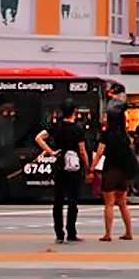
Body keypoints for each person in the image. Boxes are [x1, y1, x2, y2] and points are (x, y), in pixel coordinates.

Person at [36, 104, 90, 244]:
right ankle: (71, 232)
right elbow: (82, 150)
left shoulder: (57, 126)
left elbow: (39, 138)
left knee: (58, 200)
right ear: (74, 111)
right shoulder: (78, 128)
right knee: (73, 200)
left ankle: (59, 233)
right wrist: (88, 167)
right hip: (74, 167)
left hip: (60, 165)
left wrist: (51, 152)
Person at [96, 112, 138, 240]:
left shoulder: (106, 135)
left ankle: (108, 234)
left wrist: (92, 168)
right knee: (123, 204)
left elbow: (99, 153)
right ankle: (129, 232)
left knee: (109, 204)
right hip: (122, 172)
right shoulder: (124, 136)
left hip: (110, 171)